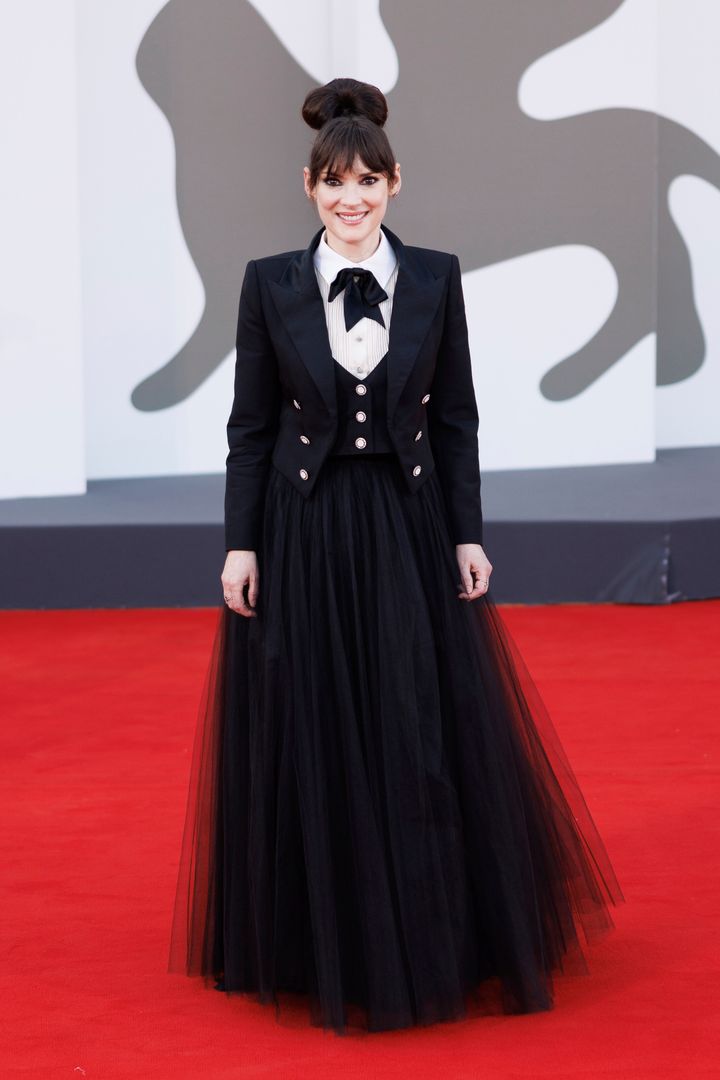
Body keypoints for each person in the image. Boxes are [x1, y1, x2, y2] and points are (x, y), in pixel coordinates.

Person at [168, 77, 624, 1036]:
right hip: (306, 531)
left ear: (395, 183)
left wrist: (468, 533)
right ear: (308, 186)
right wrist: (239, 545)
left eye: (369, 180)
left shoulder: (436, 278)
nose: (352, 198)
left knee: (419, 723)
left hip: (409, 528)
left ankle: (434, 934)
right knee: (319, 721)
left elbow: (456, 419)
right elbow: (248, 429)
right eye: (336, 182)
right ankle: (319, 942)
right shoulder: (270, 284)